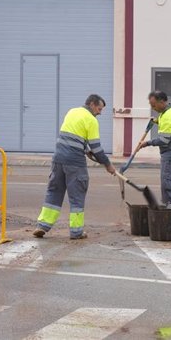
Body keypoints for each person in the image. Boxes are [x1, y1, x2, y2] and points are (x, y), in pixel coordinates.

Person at [33, 94, 116, 240]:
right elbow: (96, 148)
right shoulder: (91, 120)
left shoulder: (72, 112)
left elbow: (71, 137)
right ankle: (76, 231)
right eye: (99, 108)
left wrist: (84, 150)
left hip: (58, 159)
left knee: (54, 192)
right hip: (74, 163)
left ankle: (42, 226)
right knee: (77, 196)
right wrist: (108, 165)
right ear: (91, 104)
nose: (100, 112)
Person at [137, 90, 171, 208]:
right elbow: (167, 124)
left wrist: (147, 143)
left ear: (161, 102)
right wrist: (156, 121)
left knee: (168, 187)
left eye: (153, 105)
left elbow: (164, 141)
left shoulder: (167, 117)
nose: (152, 108)